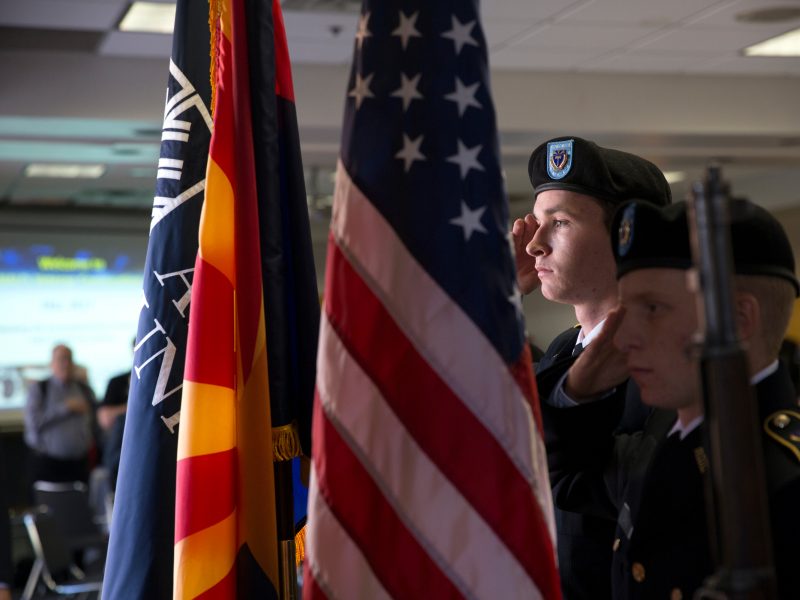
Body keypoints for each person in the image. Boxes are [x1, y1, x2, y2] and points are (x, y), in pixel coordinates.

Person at [549, 198, 800, 599]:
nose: (625, 338)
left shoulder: (782, 479)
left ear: (738, 320)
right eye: (625, 309)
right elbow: (568, 479)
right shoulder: (668, 437)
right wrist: (578, 392)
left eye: (652, 308)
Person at [512, 136, 672, 599]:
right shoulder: (563, 351)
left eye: (559, 222)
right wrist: (497, 302)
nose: (536, 245)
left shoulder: (667, 366)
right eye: (538, 223)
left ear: (628, 235)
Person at [24, 344, 97, 484]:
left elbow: (94, 422)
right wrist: (65, 407)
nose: (66, 364)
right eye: (61, 359)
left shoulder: (84, 389)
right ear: (51, 363)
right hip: (48, 465)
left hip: (79, 465)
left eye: (69, 359)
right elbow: (33, 423)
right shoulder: (40, 389)